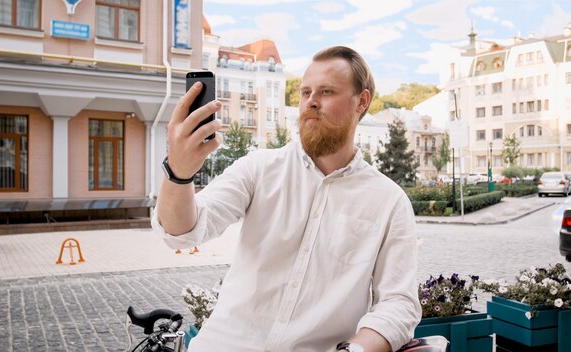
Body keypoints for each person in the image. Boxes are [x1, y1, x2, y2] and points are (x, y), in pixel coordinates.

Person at [151, 46, 421, 352]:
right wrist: (179, 174)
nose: (311, 102)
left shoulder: (389, 201)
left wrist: (355, 350)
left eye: (326, 91)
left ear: (362, 101)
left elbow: (399, 304)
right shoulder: (258, 168)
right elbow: (182, 231)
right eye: (305, 92)